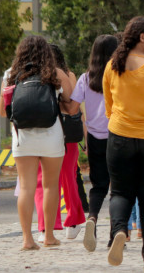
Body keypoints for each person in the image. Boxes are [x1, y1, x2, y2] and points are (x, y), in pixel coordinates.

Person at [102, 16, 144, 271]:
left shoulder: (112, 65)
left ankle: (119, 231)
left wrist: (118, 123)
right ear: (142, 37)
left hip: (119, 137)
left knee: (119, 192)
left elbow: (108, 104)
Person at [3, 35, 74, 251]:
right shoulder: (56, 73)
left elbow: (2, 111)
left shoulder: (10, 75)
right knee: (51, 186)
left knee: (26, 187)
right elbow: (70, 107)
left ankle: (27, 239)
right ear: (47, 53)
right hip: (51, 136)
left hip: (22, 137)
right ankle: (49, 236)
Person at [42, 44, 86, 241]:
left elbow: (74, 106)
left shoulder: (63, 75)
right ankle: (69, 221)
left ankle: (59, 223)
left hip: (53, 131)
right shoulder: (67, 74)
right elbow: (75, 107)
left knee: (56, 179)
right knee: (67, 177)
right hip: (63, 132)